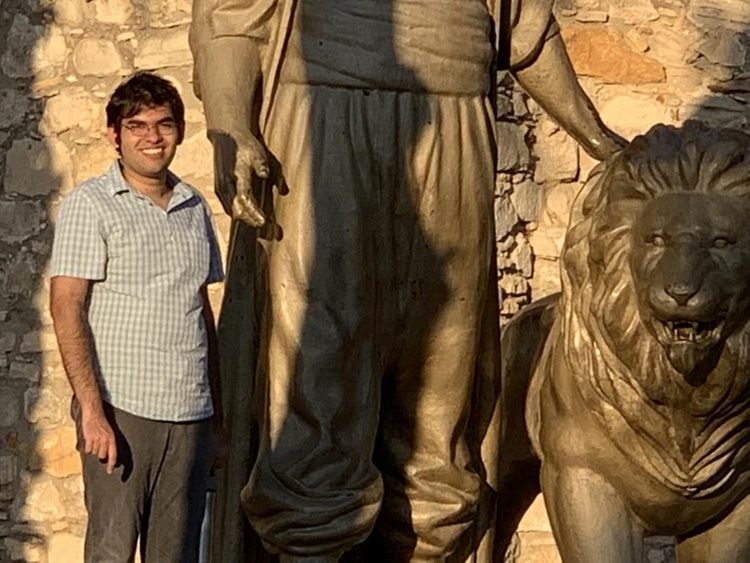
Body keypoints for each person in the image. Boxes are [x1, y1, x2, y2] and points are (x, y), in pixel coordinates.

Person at [189, 1, 624, 561]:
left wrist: (596, 136)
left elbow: (524, 29)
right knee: (319, 357)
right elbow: (231, 19)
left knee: (443, 369)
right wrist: (230, 127)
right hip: (326, 112)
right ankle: (309, 541)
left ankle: (428, 543)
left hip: (455, 116)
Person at [49, 71, 227, 563]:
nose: (152, 137)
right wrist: (92, 411)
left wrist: (218, 419)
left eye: (164, 124)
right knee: (112, 551)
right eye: (137, 125)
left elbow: (200, 314)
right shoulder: (92, 205)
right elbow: (66, 305)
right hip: (121, 408)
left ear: (180, 131)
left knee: (179, 554)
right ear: (115, 136)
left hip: (190, 413)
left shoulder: (195, 207)